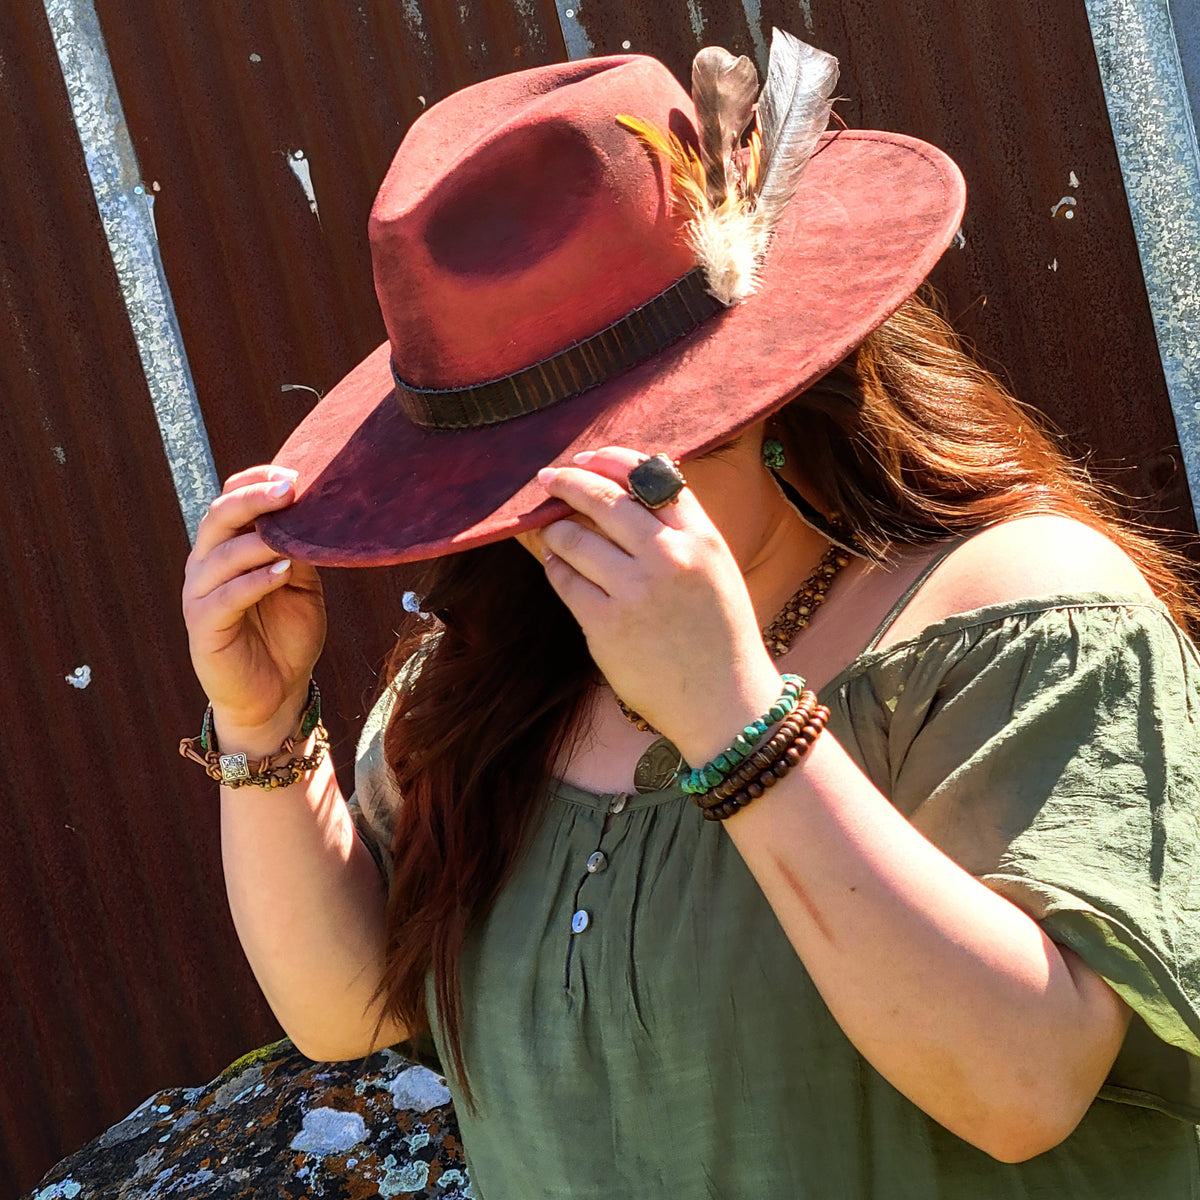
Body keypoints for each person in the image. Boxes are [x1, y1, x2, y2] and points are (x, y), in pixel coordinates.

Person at [180, 32, 1200, 1199]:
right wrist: (261, 729)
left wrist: (732, 714)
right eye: (506, 468)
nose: (546, 505)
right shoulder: (495, 673)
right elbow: (343, 1011)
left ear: (771, 381)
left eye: (600, 438)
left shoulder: (1018, 611)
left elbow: (1024, 1087)